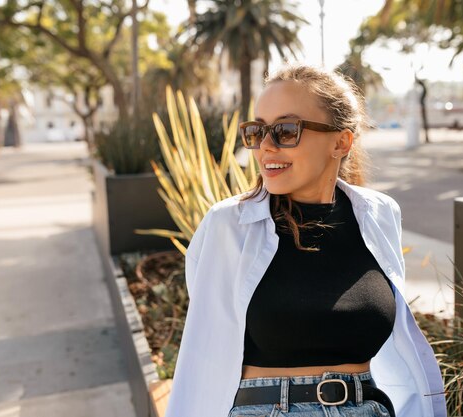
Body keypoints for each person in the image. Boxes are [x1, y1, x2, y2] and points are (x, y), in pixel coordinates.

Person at [164, 65, 446, 417]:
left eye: (285, 130)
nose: (265, 146)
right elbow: (202, 353)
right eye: (257, 131)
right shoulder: (228, 226)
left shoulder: (378, 214)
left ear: (341, 142)